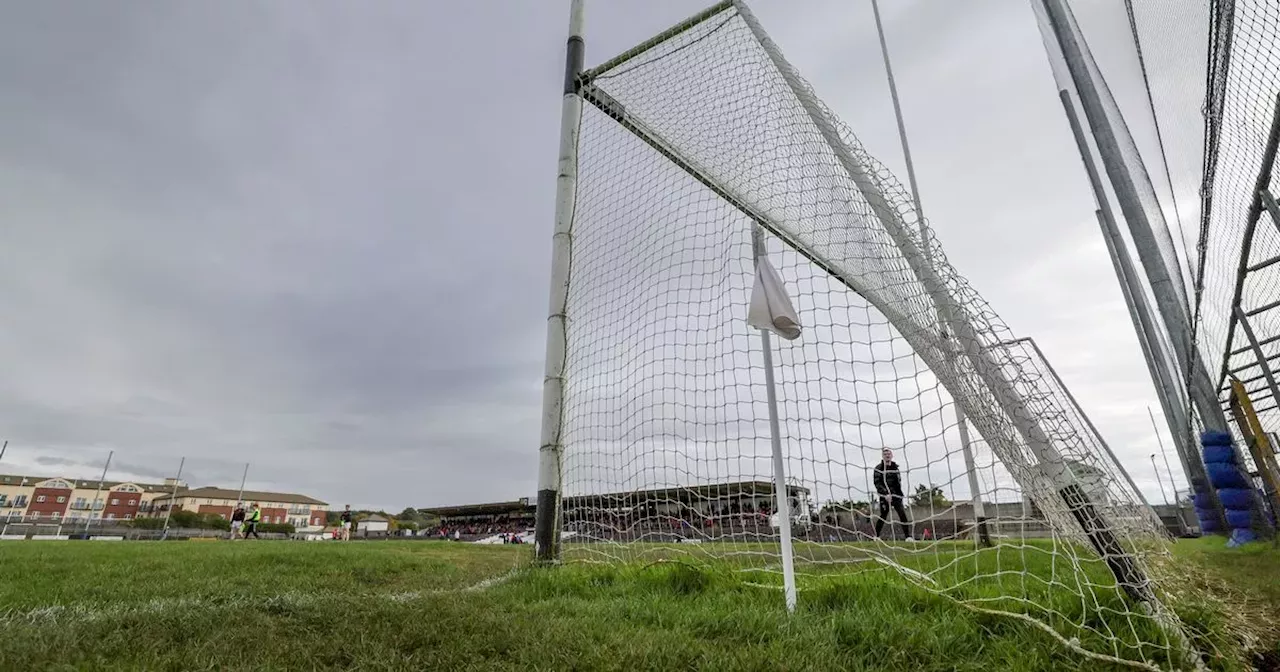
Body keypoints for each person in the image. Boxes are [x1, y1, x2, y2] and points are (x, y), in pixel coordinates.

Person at [873, 448, 913, 541]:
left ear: (891, 455)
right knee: (883, 515)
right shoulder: (878, 468)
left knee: (902, 514)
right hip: (885, 496)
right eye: (885, 454)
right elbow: (877, 483)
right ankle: (876, 536)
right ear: (882, 456)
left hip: (896, 495)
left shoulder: (895, 467)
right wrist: (885, 494)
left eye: (889, 454)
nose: (887, 455)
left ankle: (908, 537)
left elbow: (898, 482)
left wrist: (899, 494)